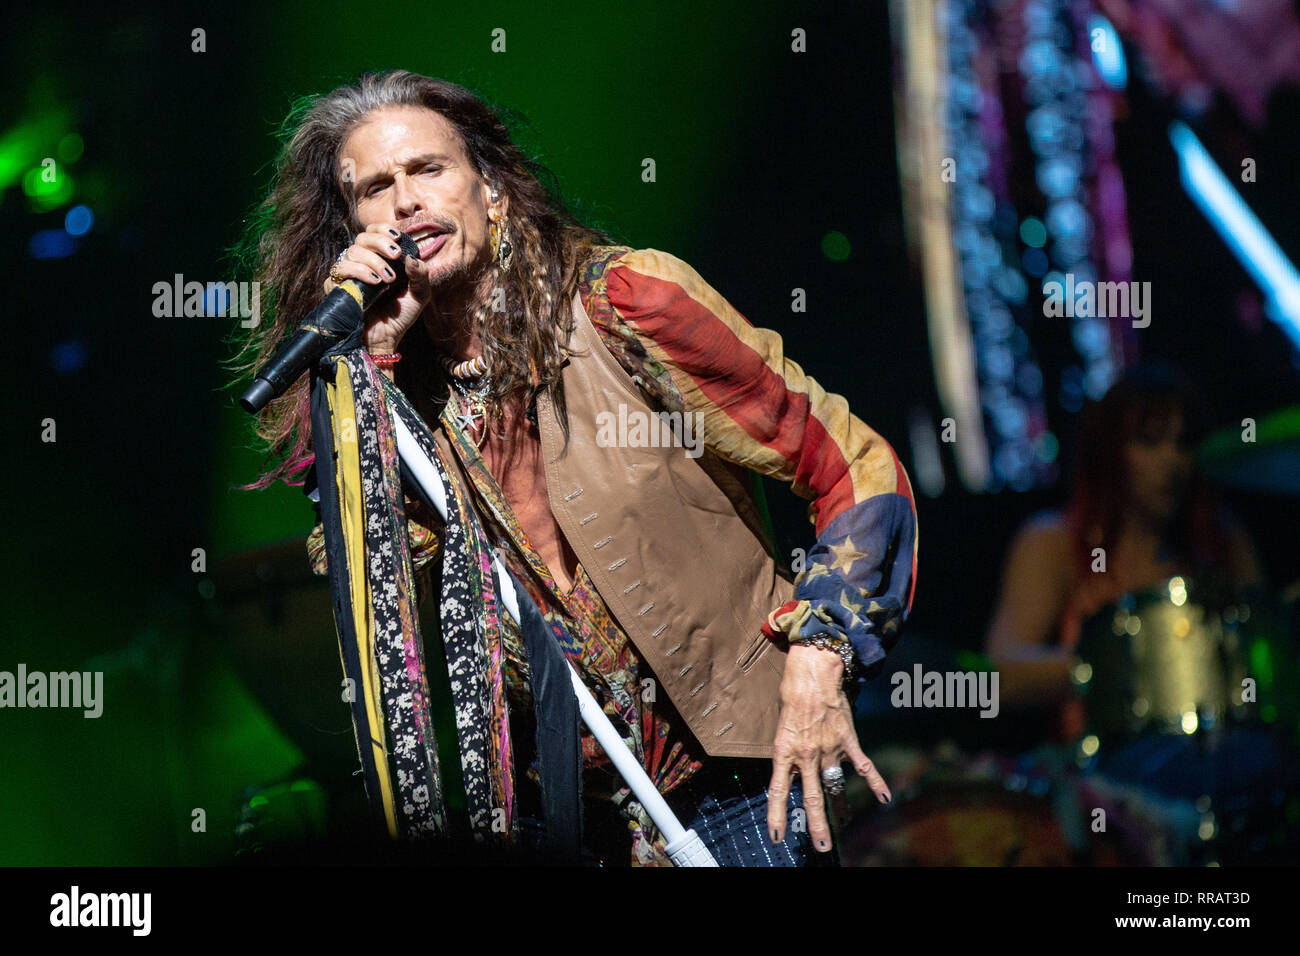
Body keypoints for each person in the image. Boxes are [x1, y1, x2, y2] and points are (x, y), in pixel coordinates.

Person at [231, 69, 917, 866]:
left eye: (428, 169)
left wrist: (821, 653)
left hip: (737, 783)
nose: (406, 201)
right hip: (568, 820)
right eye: (375, 188)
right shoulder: (389, 405)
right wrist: (373, 362)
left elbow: (850, 460)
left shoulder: (625, 304)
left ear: (492, 191)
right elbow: (373, 594)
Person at [984, 361, 1265, 742]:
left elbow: (1268, 664)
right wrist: (1130, 657)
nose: (1172, 461)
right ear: (1108, 452)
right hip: (1099, 787)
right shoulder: (1052, 540)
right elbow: (999, 677)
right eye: (1149, 441)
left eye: (1184, 443)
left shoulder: (1223, 538)